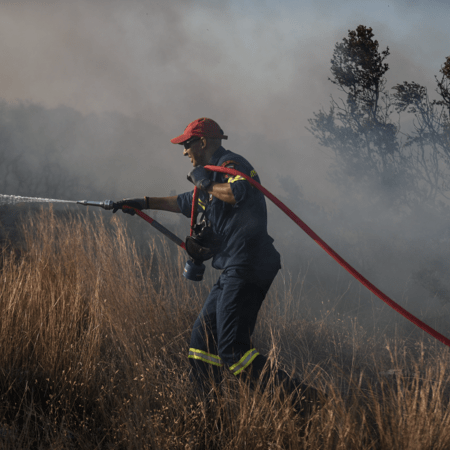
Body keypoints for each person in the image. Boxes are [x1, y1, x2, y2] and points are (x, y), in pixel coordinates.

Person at [114, 117, 320, 414]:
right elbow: (185, 201)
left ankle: (307, 404)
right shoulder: (209, 177)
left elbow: (237, 193)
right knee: (202, 343)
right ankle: (207, 415)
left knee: (233, 351)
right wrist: (140, 202)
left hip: (250, 264)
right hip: (233, 268)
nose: (184, 152)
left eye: (187, 145)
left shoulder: (232, 164)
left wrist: (206, 183)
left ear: (202, 142)